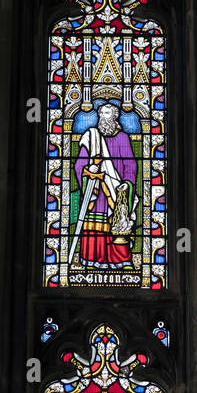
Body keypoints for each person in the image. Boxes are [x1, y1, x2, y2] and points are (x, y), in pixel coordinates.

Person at [73, 102, 138, 269]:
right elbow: (79, 165)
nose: (103, 117)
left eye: (107, 113)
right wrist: (89, 170)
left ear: (115, 116)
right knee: (95, 226)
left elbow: (131, 166)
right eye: (101, 113)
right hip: (95, 191)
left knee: (118, 223)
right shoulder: (91, 136)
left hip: (115, 189)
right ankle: (91, 259)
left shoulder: (122, 138)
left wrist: (127, 184)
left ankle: (119, 260)